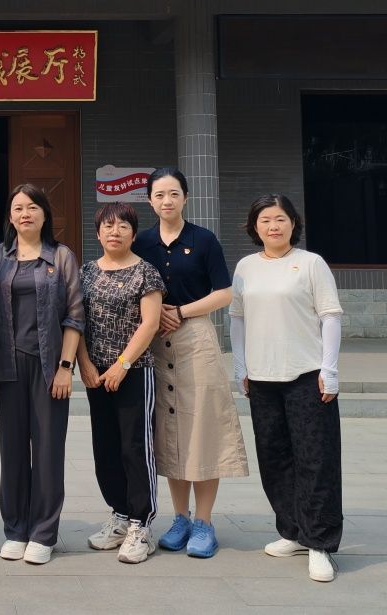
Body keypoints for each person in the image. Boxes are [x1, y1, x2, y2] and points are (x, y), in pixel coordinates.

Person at [133, 167, 249, 559]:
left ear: (186, 197)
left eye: (173, 194)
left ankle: (204, 522)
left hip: (195, 337)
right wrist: (155, 316)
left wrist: (180, 311)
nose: (166, 201)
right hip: (154, 340)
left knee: (202, 427)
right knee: (170, 430)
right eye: (159, 195)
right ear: (149, 201)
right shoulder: (142, 242)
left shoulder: (203, 239)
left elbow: (224, 293)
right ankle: (179, 518)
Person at [230, 194, 344, 583]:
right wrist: (241, 366)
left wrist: (330, 369)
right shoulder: (245, 267)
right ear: (254, 226)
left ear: (293, 223)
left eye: (280, 218)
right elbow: (237, 319)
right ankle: (292, 531)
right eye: (265, 220)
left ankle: (319, 542)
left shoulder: (311, 264)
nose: (273, 226)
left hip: (307, 376)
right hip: (262, 379)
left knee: (316, 459)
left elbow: (330, 317)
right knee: (274, 457)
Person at [0, 184, 83, 566]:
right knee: (11, 451)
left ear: (45, 214)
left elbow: (75, 315)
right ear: (10, 216)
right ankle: (15, 529)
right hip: (8, 368)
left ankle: (43, 533)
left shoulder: (61, 256)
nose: (25, 214)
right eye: (18, 208)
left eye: (33, 207)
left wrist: (65, 367)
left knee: (47, 451)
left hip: (48, 368)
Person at [76, 201, 164, 564]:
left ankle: (141, 525)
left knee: (135, 447)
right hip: (95, 375)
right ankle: (120, 514)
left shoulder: (146, 272)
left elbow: (150, 324)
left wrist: (122, 365)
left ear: (133, 233)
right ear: (98, 233)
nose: (115, 232)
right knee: (106, 447)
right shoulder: (85, 272)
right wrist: (84, 363)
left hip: (134, 372)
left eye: (123, 226)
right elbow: (76, 321)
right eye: (108, 226)